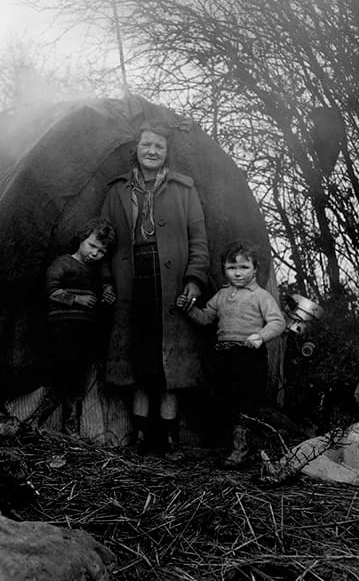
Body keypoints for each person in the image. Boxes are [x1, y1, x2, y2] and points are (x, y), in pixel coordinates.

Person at [100, 120, 209, 458]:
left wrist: (193, 279)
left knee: (169, 363)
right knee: (139, 359)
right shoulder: (117, 189)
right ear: (137, 148)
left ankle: (169, 437)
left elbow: (199, 240)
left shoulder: (184, 189)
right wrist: (106, 279)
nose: (152, 151)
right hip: (131, 282)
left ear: (166, 153)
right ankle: (142, 436)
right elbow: (103, 237)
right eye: (147, 145)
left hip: (172, 285)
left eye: (159, 146)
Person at [176, 241, 285, 467]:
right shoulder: (222, 295)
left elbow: (277, 322)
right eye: (231, 268)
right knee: (225, 401)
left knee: (247, 403)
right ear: (224, 270)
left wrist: (259, 337)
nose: (238, 273)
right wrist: (188, 309)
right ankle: (228, 448)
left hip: (249, 356)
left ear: (255, 269)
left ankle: (242, 450)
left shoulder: (261, 296)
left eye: (244, 267)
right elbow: (206, 318)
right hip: (224, 356)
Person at [43, 217, 116, 436]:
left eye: (101, 251)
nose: (95, 253)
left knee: (78, 378)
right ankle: (50, 422)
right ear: (81, 239)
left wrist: (108, 292)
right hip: (62, 330)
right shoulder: (63, 263)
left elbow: (106, 282)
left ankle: (71, 429)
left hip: (84, 332)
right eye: (92, 245)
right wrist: (77, 300)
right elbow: (51, 291)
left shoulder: (96, 270)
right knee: (65, 376)